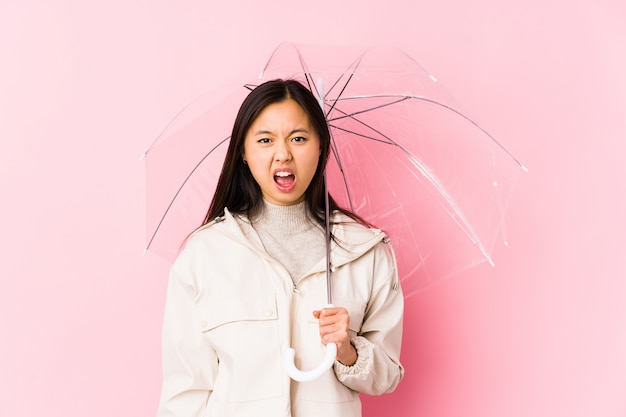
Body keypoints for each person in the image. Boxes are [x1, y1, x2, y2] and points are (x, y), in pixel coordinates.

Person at [157, 79, 404, 417]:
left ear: (321, 147)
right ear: (243, 152)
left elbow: (387, 375)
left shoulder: (364, 250)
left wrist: (349, 350)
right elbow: (184, 390)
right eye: (265, 140)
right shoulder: (204, 254)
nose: (283, 153)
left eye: (299, 138)